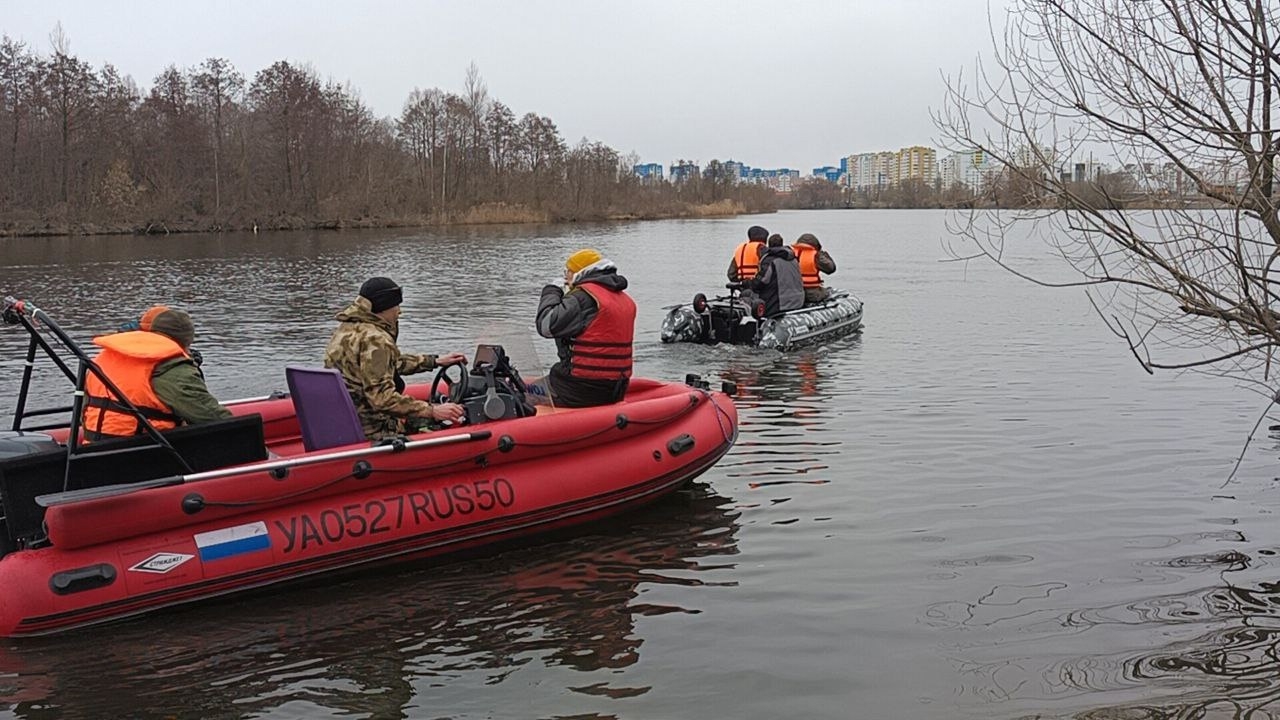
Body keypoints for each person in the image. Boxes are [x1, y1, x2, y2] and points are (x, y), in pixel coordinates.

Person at [324, 277, 466, 440]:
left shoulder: (346, 330)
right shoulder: (376, 339)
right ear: (383, 308)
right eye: (396, 306)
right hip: (374, 428)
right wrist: (432, 410)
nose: (399, 311)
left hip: (347, 420)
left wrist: (434, 361)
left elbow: (387, 363)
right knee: (430, 421)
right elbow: (382, 398)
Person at [82, 307, 232, 440]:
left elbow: (84, 411)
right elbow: (210, 416)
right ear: (185, 340)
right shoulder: (172, 367)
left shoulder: (104, 358)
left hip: (93, 448)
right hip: (145, 453)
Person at [535, 248, 636, 408]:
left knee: (517, 395)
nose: (565, 277)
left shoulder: (583, 298)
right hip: (615, 387)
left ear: (577, 272)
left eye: (567, 271)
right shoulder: (622, 298)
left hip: (579, 389)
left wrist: (551, 291)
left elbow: (546, 325)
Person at [746, 234, 805, 317]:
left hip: (779, 304)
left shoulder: (770, 260)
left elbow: (760, 282)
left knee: (748, 295)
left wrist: (747, 283)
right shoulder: (794, 259)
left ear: (769, 245)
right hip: (797, 302)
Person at [792, 232, 837, 305]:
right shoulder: (816, 255)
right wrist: (825, 256)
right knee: (828, 293)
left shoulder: (791, 253)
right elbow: (831, 269)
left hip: (795, 292)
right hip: (812, 293)